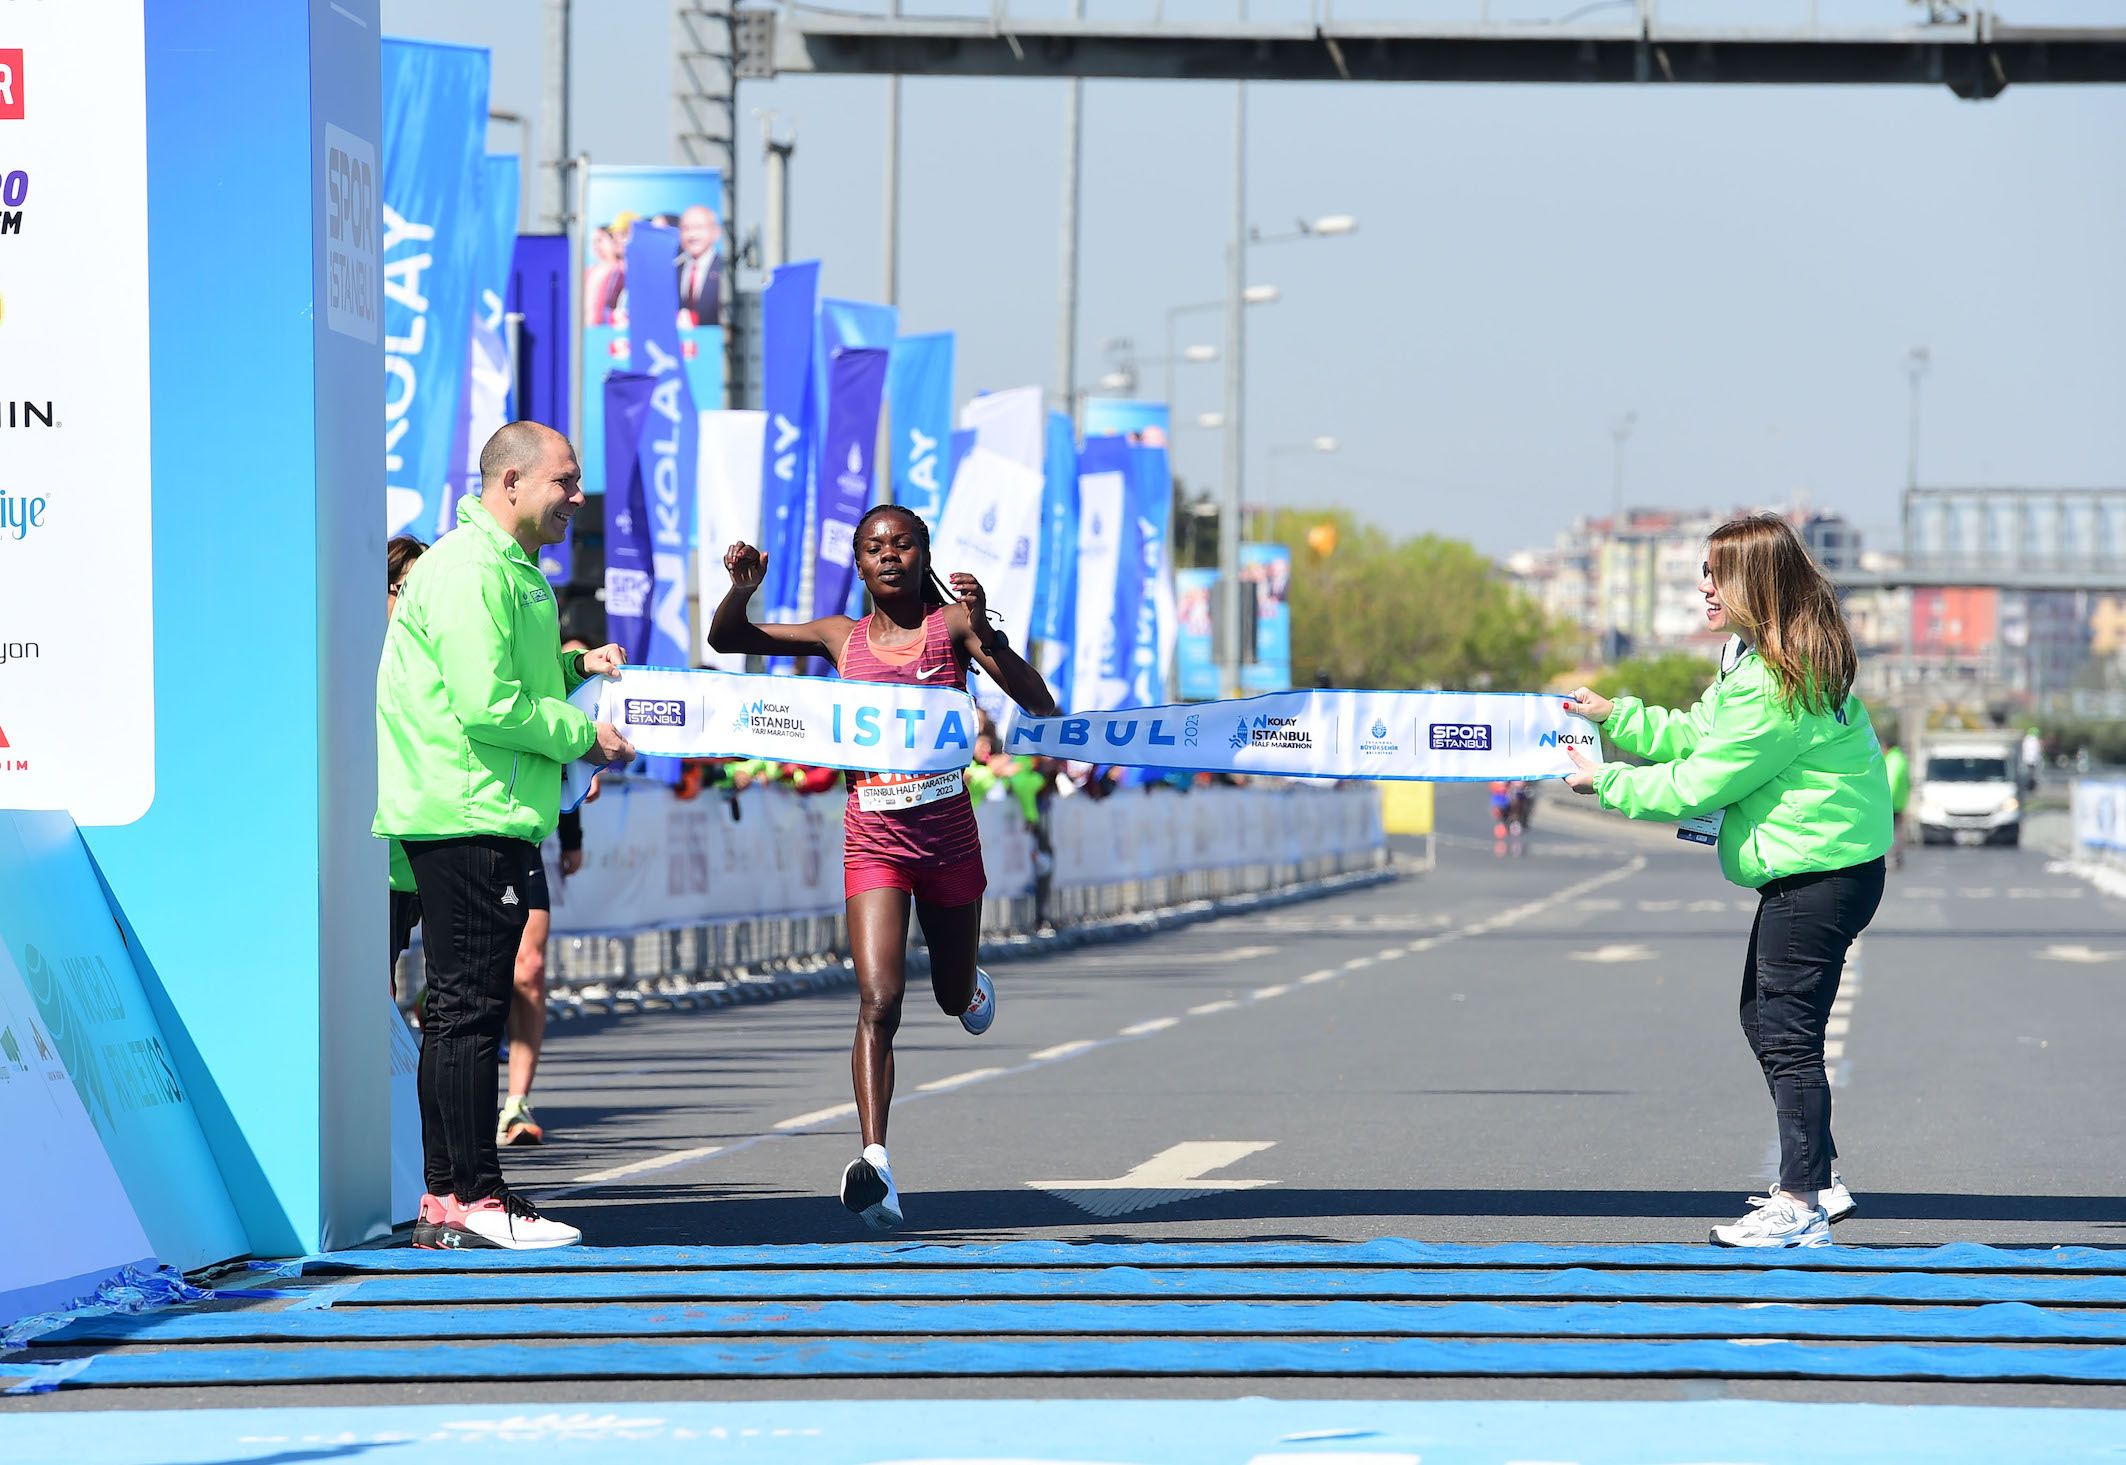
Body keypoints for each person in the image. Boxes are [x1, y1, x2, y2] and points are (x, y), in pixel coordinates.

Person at [708, 504, 1060, 1231]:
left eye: (902, 544)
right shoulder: (842, 638)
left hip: (949, 840)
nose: (889, 555)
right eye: (874, 548)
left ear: (922, 551)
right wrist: (742, 588)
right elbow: (729, 637)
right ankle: (878, 1163)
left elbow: (1038, 701)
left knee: (949, 991)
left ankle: (968, 988)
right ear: (860, 563)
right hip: (873, 838)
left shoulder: (952, 629)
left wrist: (987, 630)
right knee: (878, 1000)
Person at [1560, 513, 1892, 1250]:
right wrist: (1617, 716)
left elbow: (1697, 780)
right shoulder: (1755, 659)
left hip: (1819, 870)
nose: (1702, 586)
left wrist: (1607, 782)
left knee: (1786, 1031)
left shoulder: (1777, 684)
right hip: (1825, 865)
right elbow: (1698, 733)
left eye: (1716, 573)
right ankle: (1819, 1176)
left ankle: (1800, 1195)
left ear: (1757, 583)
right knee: (1763, 1017)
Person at [376, 420, 636, 1250]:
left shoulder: (513, 569)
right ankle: (475, 1198)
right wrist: (580, 733)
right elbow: (485, 703)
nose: (577, 495)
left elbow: (510, 682)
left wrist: (572, 673)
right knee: (466, 1010)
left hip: (487, 809)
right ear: (512, 482)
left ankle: (450, 1202)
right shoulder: (467, 567)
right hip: (464, 809)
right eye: (566, 479)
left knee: (464, 1009)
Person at [495, 636, 595, 1149]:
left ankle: (516, 1103)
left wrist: (573, 836)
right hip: (458, 821)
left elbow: (572, 765)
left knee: (529, 969)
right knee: (472, 973)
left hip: (526, 834)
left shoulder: (563, 659)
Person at [386, 534, 428, 994]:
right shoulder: (351, 660)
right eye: (406, 591)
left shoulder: (434, 659)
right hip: (369, 863)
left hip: (420, 857)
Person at [675, 203, 723, 328]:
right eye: (686, 228)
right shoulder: (673, 270)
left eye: (699, 228)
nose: (692, 235)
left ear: (716, 232)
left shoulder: (725, 270)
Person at [1883, 742, 1909, 871]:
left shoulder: (1893, 760)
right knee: (1897, 831)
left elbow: (1891, 782)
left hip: (1892, 803)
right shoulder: (1900, 758)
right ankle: (1897, 857)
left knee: (1891, 832)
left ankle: (1893, 858)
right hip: (1899, 802)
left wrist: (1885, 800)